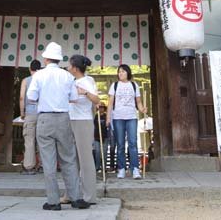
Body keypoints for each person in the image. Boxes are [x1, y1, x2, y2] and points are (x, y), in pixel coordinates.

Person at [25, 41, 89, 211]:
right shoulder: (67, 76)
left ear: (46, 59)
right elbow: (74, 98)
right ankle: (76, 198)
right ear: (59, 59)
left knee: (48, 161)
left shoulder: (39, 75)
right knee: (69, 158)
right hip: (63, 119)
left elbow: (31, 97)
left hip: (45, 119)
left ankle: (53, 201)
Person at [68, 54, 101, 205]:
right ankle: (71, 194)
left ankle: (89, 196)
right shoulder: (73, 81)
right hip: (72, 120)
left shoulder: (86, 81)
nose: (68, 67)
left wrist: (85, 93)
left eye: (70, 65)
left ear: (75, 68)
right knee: (71, 159)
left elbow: (97, 100)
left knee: (85, 159)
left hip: (83, 122)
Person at [107, 63, 147, 180]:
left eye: (123, 71)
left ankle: (135, 168)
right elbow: (110, 103)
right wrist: (108, 117)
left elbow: (138, 102)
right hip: (118, 117)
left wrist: (142, 109)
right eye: (119, 71)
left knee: (133, 143)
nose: (120, 73)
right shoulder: (114, 85)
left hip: (131, 117)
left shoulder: (134, 85)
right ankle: (121, 168)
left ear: (128, 73)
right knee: (120, 144)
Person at [19, 59, 42, 174]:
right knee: (43, 140)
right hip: (43, 113)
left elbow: (22, 98)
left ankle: (29, 166)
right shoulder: (43, 80)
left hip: (30, 112)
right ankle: (43, 165)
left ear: (30, 69)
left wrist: (22, 112)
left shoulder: (26, 81)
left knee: (29, 140)